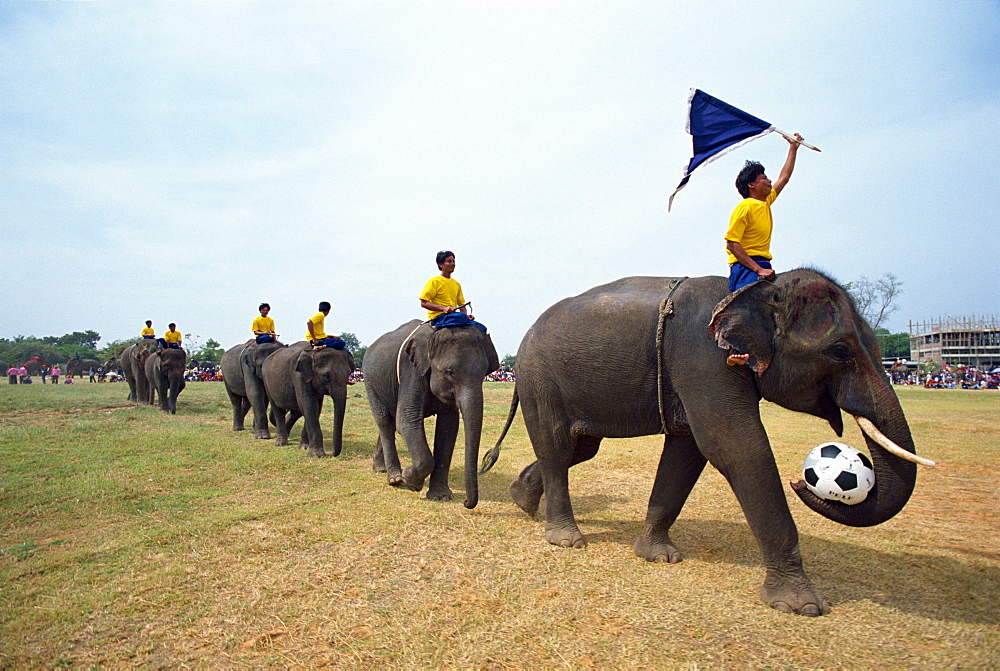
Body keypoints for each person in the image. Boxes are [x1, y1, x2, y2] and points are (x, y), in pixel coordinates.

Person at [723, 133, 804, 366]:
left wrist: (793, 148)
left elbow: (785, 177)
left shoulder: (765, 202)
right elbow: (732, 243)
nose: (769, 181)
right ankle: (733, 350)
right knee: (747, 304)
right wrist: (757, 269)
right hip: (745, 265)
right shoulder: (745, 207)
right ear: (751, 185)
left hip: (763, 264)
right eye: (763, 178)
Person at [419, 250, 487, 333]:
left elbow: (462, 306)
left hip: (454, 317)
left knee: (482, 328)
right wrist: (443, 308)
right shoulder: (434, 281)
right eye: (449, 261)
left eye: (453, 261)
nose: (453, 264)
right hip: (439, 318)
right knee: (460, 317)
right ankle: (436, 326)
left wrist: (466, 317)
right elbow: (423, 302)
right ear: (441, 265)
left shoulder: (456, 284)